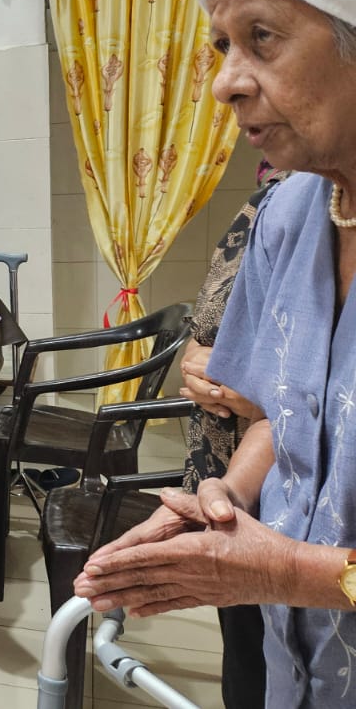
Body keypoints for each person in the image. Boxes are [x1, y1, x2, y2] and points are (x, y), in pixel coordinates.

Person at [72, 0, 356, 708]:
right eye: (223, 45)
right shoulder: (291, 217)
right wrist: (226, 498)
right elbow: (285, 413)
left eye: (262, 38)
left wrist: (298, 573)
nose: (225, 81)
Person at [170, 157, 286, 709]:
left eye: (263, 61)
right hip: (231, 469)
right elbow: (204, 334)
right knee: (245, 653)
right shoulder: (268, 201)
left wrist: (264, 399)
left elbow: (303, 390)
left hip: (296, 513)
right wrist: (200, 369)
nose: (228, 84)